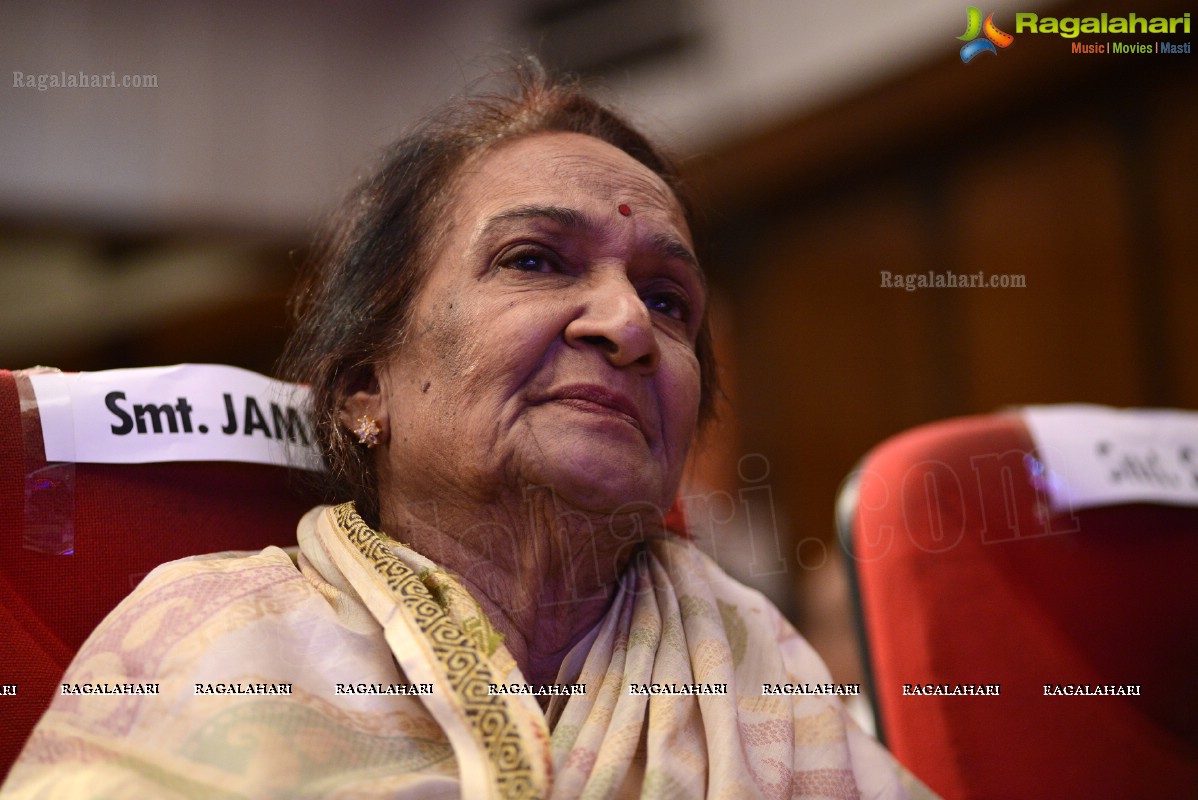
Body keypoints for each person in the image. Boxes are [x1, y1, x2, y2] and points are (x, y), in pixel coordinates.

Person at [2, 65, 934, 799]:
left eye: (667, 297)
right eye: (533, 259)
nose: (629, 324)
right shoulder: (223, 643)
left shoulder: (748, 656)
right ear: (366, 389)